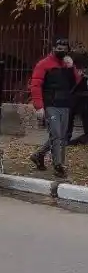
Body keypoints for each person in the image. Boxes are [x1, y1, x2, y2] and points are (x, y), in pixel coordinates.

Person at [29, 38, 81, 178]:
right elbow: (35, 85)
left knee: (60, 136)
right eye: (58, 49)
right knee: (57, 135)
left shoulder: (68, 65)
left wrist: (71, 68)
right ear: (53, 48)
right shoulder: (44, 64)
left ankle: (38, 155)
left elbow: (76, 82)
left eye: (64, 49)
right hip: (50, 105)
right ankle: (59, 165)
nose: (61, 51)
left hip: (65, 105)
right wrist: (39, 106)